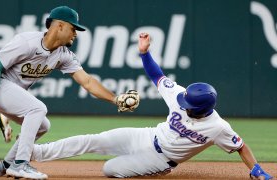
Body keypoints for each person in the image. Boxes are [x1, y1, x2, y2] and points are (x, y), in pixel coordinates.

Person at [29, 32, 273, 180]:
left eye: (188, 104)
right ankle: (35, 153)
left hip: (162, 160)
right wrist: (144, 53)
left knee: (109, 170)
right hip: (147, 135)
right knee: (94, 140)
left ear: (201, 110)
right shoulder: (179, 94)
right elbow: (157, 76)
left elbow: (241, 147)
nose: (183, 103)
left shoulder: (218, 127)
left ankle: (149, 171)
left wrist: (257, 170)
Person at [0, 5, 139, 180]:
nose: (75, 33)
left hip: (10, 90)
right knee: (37, 109)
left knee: (43, 125)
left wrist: (115, 99)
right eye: (73, 28)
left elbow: (88, 82)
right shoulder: (27, 42)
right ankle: (21, 164)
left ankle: (6, 164)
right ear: (59, 26)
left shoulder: (64, 55)